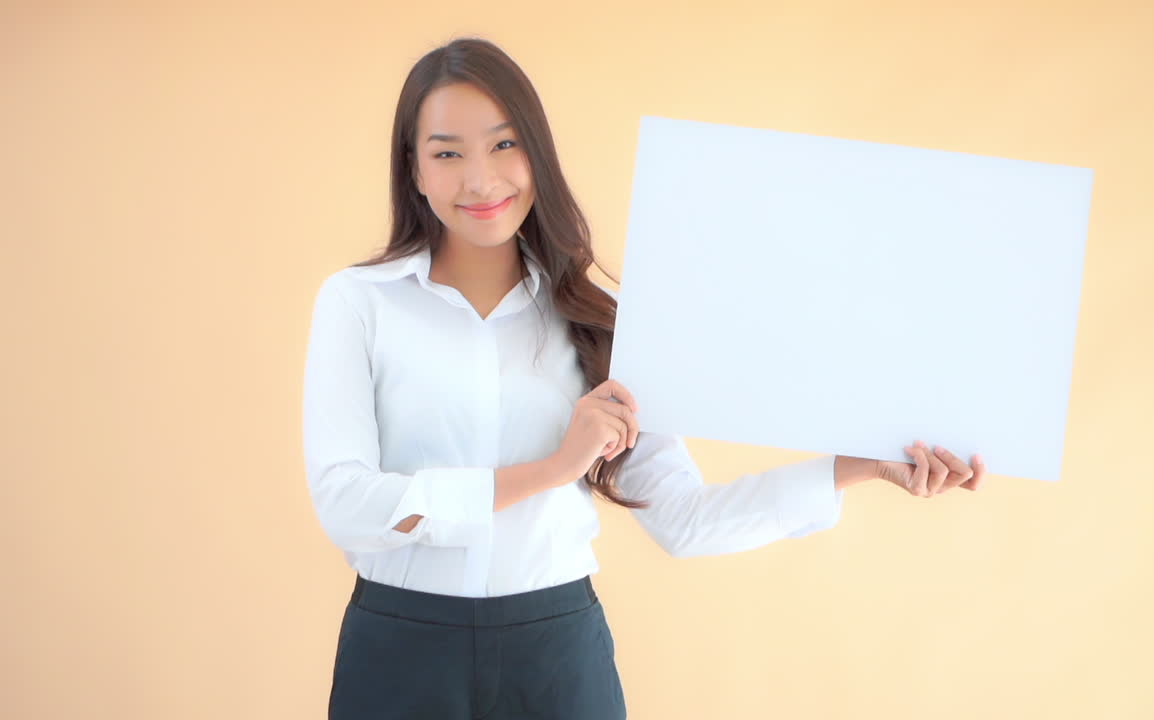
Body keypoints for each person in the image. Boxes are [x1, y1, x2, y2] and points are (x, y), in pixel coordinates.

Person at [302, 36, 987, 720]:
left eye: (504, 146)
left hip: (558, 659)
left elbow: (684, 521)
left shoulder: (601, 321)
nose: (480, 181)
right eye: (447, 152)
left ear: (537, 156)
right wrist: (552, 469)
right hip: (398, 656)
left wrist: (858, 465)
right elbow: (347, 504)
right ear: (414, 170)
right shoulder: (359, 304)